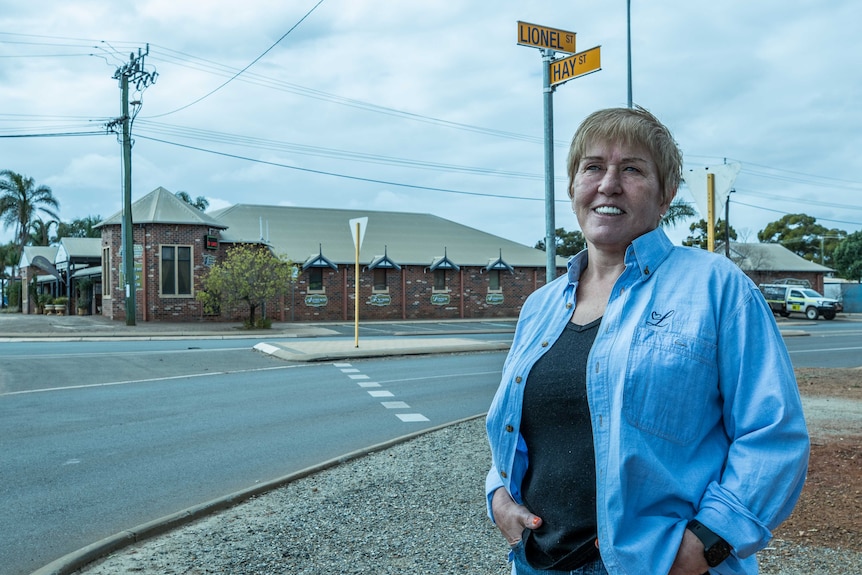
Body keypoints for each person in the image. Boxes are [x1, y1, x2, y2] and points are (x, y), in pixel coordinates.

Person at [485, 107, 809, 575]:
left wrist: (706, 543)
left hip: (661, 566)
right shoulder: (540, 305)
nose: (608, 183)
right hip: (539, 564)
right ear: (574, 186)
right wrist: (498, 494)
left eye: (632, 169)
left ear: (666, 195)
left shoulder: (716, 287)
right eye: (593, 167)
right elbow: (511, 427)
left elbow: (773, 433)